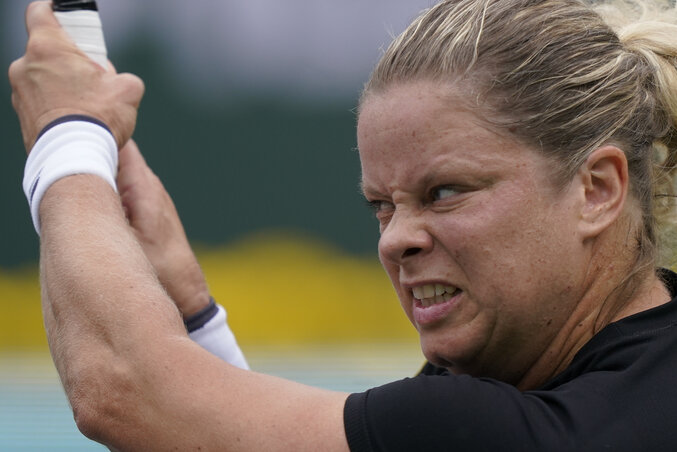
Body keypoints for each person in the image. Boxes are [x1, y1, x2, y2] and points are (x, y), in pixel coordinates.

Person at [8, 0, 677, 449]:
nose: (395, 240)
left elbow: (122, 385)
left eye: (444, 192)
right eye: (381, 206)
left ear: (597, 190)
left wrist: (65, 136)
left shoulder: (491, 423)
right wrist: (191, 311)